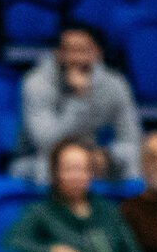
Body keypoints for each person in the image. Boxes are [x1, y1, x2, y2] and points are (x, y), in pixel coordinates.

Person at [3, 138, 147, 252]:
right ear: (55, 172)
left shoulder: (108, 211)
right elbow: (12, 243)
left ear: (91, 173)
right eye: (69, 169)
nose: (76, 176)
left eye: (82, 169)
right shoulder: (40, 211)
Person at [9, 24, 141, 185]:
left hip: (91, 155)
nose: (76, 58)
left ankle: (129, 207)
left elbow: (132, 138)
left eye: (83, 50)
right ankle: (53, 210)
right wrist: (78, 99)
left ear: (98, 53)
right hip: (36, 159)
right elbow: (46, 143)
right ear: (58, 54)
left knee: (132, 156)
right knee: (50, 166)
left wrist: (106, 155)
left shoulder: (114, 84)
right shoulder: (36, 82)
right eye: (69, 50)